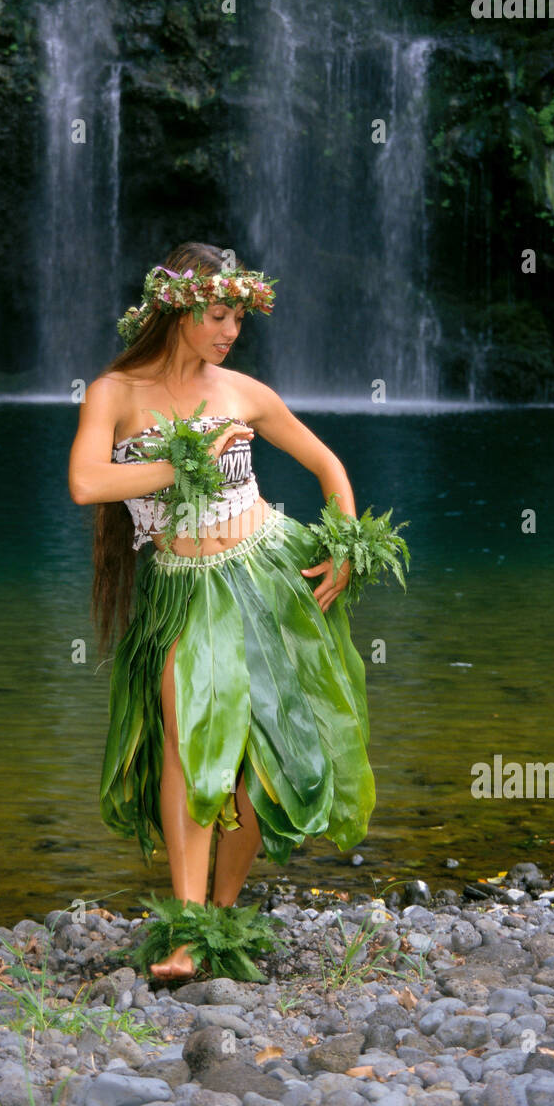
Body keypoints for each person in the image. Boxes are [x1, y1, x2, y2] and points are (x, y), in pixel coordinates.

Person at [68, 241, 377, 978]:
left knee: (257, 756)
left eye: (238, 316)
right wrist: (185, 463)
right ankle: (187, 929)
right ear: (175, 310)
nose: (230, 330)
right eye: (216, 314)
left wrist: (343, 545)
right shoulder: (116, 392)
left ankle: (225, 912)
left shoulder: (246, 392)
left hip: (268, 577)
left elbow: (329, 466)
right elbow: (86, 482)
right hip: (183, 587)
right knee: (187, 745)